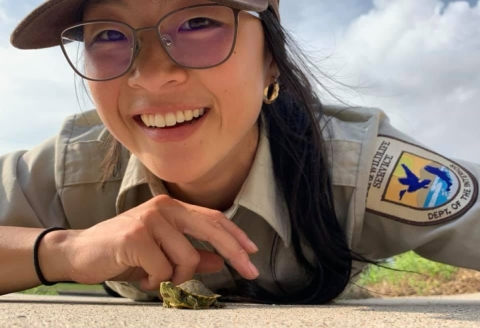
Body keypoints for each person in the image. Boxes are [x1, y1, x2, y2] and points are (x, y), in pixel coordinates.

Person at [1, 0, 478, 305]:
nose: (149, 75)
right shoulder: (71, 169)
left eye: (199, 22)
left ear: (271, 59)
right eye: (107, 34)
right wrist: (65, 250)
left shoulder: (358, 172)